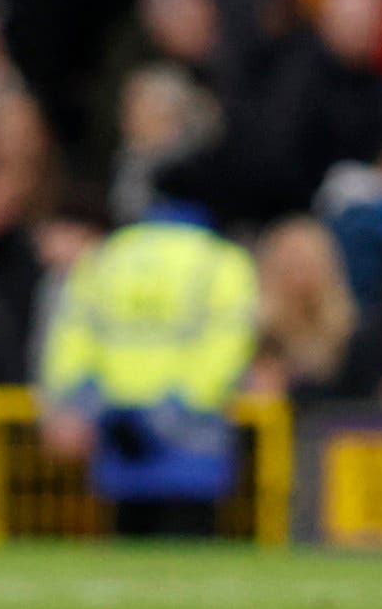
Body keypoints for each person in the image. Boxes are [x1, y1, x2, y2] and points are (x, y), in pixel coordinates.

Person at [35, 193, 262, 533]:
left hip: (116, 421)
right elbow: (229, 341)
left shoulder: (106, 256)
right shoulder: (221, 259)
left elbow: (72, 337)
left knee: (128, 538)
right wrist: (183, 402)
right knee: (192, 547)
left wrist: (79, 401)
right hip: (192, 426)